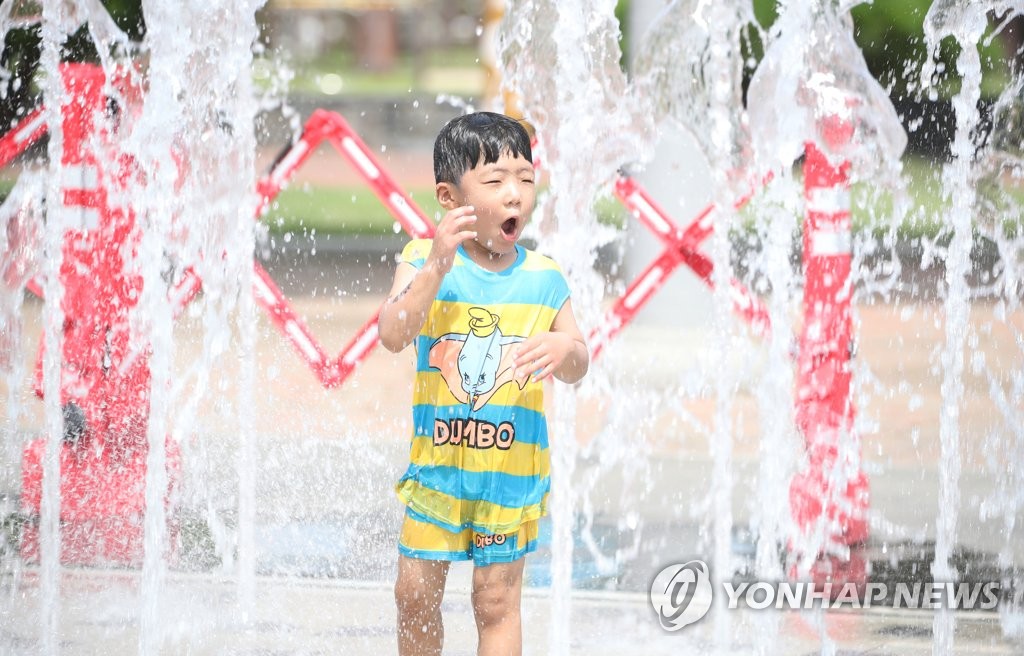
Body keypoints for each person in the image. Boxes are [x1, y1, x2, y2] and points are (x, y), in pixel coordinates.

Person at [378, 111, 589, 656]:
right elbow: (393, 333)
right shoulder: (423, 260)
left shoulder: (543, 277)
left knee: (495, 602)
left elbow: (580, 361)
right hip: (438, 471)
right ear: (450, 197)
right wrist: (437, 267)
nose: (515, 194)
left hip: (507, 476)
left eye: (525, 177)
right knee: (414, 594)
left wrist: (564, 349)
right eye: (496, 181)